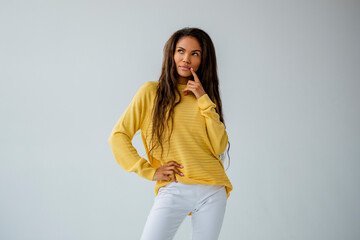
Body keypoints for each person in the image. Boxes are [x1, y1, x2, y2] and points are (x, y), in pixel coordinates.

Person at [108, 27, 233, 240]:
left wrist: (203, 98)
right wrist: (148, 170)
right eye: (180, 51)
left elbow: (219, 147)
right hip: (174, 188)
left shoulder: (204, 98)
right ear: (171, 54)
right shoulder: (151, 92)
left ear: (204, 60)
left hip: (212, 189)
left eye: (195, 54)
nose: (186, 59)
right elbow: (118, 136)